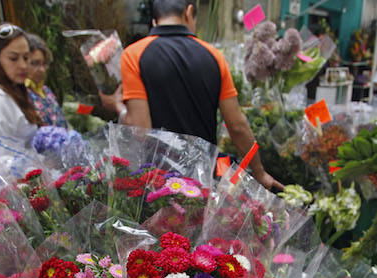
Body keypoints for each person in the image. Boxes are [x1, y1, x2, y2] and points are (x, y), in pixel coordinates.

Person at [118, 0, 283, 190]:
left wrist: (118, 108)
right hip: (201, 180)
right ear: (189, 12)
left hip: (155, 182)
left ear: (155, 21)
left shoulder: (133, 55)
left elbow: (140, 130)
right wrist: (259, 173)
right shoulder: (214, 56)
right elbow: (237, 126)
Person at [25, 33, 68, 128]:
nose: (41, 69)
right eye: (34, 63)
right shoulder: (22, 94)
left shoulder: (46, 91)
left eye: (44, 64)